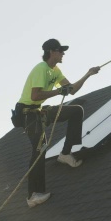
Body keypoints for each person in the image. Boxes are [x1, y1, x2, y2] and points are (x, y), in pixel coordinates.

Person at [15, 38, 100, 208]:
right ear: (51, 52)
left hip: (39, 111)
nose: (63, 54)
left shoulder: (55, 71)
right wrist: (58, 92)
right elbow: (35, 96)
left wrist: (88, 74)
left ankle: (65, 154)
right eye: (61, 51)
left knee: (76, 110)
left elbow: (72, 89)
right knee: (41, 147)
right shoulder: (42, 69)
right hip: (27, 113)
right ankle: (33, 195)